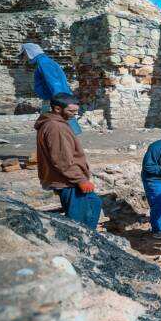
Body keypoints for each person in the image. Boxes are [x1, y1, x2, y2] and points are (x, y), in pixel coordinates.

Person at [34, 92, 101, 230]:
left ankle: (90, 238)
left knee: (94, 203)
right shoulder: (56, 127)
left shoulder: (58, 123)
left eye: (76, 111)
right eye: (71, 111)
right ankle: (80, 245)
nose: (74, 114)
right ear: (57, 108)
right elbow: (61, 160)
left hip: (69, 179)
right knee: (79, 220)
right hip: (67, 181)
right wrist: (80, 180)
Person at [19, 43, 82, 135]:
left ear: (30, 52)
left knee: (50, 125)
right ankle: (67, 143)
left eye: (24, 54)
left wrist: (59, 101)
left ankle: (68, 145)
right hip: (55, 97)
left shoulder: (44, 63)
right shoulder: (44, 62)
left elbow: (54, 82)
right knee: (55, 125)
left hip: (53, 98)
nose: (24, 58)